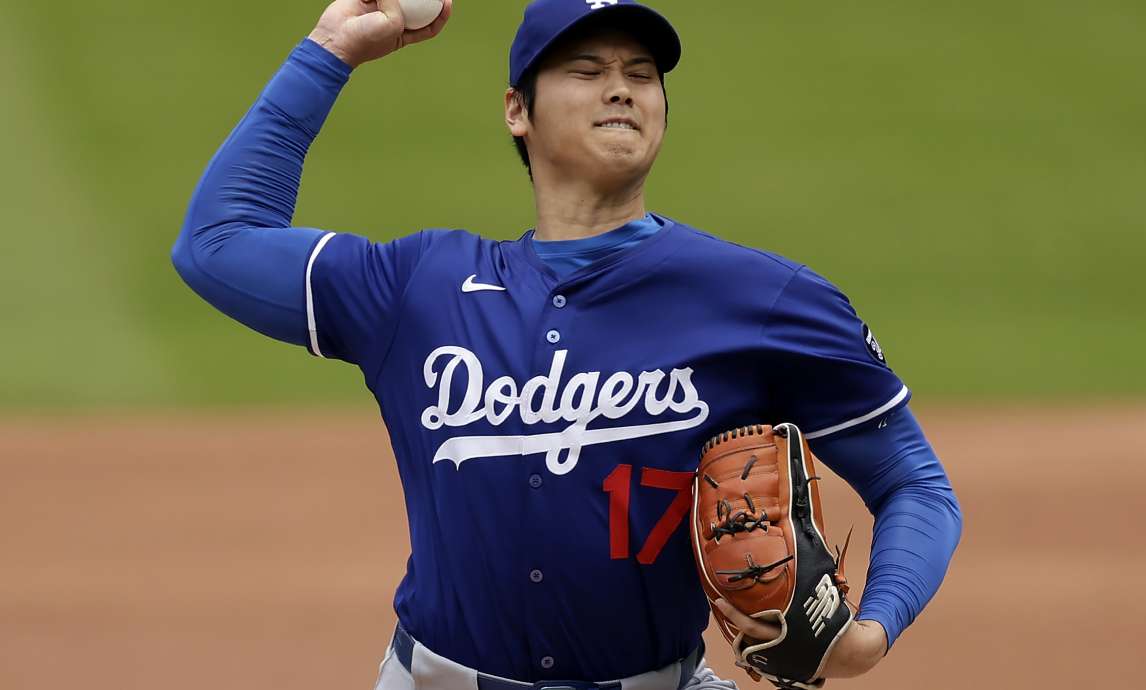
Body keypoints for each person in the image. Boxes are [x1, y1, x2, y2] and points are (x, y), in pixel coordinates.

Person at [172, 1, 963, 688]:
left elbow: (915, 484)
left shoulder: (761, 298)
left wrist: (872, 631)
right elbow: (216, 242)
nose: (621, 86)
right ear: (518, 109)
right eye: (585, 69)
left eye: (642, 73)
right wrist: (331, 49)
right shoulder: (418, 286)